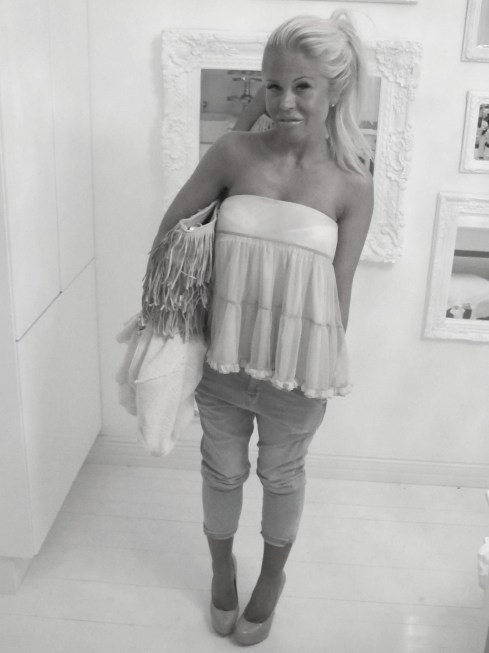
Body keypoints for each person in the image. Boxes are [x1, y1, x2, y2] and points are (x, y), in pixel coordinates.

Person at [151, 11, 374, 645]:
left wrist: (326, 372)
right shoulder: (233, 154)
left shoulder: (354, 184)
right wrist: (248, 119)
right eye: (272, 85)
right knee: (221, 473)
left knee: (283, 478)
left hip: (298, 367)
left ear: (335, 89)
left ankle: (272, 578)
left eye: (302, 86)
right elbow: (172, 233)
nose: (284, 101)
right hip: (221, 357)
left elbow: (341, 286)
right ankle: (221, 569)